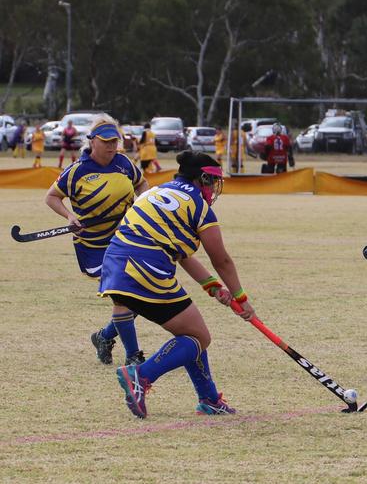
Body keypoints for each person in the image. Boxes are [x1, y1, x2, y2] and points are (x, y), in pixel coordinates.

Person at [99, 151, 256, 418]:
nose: (214, 189)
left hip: (115, 263)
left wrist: (213, 287)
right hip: (145, 266)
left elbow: (183, 255)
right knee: (199, 337)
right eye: (212, 182)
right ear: (202, 178)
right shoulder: (199, 206)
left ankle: (209, 399)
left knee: (192, 334)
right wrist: (241, 298)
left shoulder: (156, 191)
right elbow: (222, 259)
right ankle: (141, 375)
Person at [45, 114, 149, 366]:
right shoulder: (77, 171)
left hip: (126, 240)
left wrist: (141, 207)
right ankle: (133, 356)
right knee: (123, 297)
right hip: (95, 247)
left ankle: (103, 336)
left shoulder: (124, 163)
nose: (112, 146)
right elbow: (52, 197)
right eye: (106, 141)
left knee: (141, 297)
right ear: (92, 141)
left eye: (115, 141)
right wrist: (70, 215)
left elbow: (142, 184)